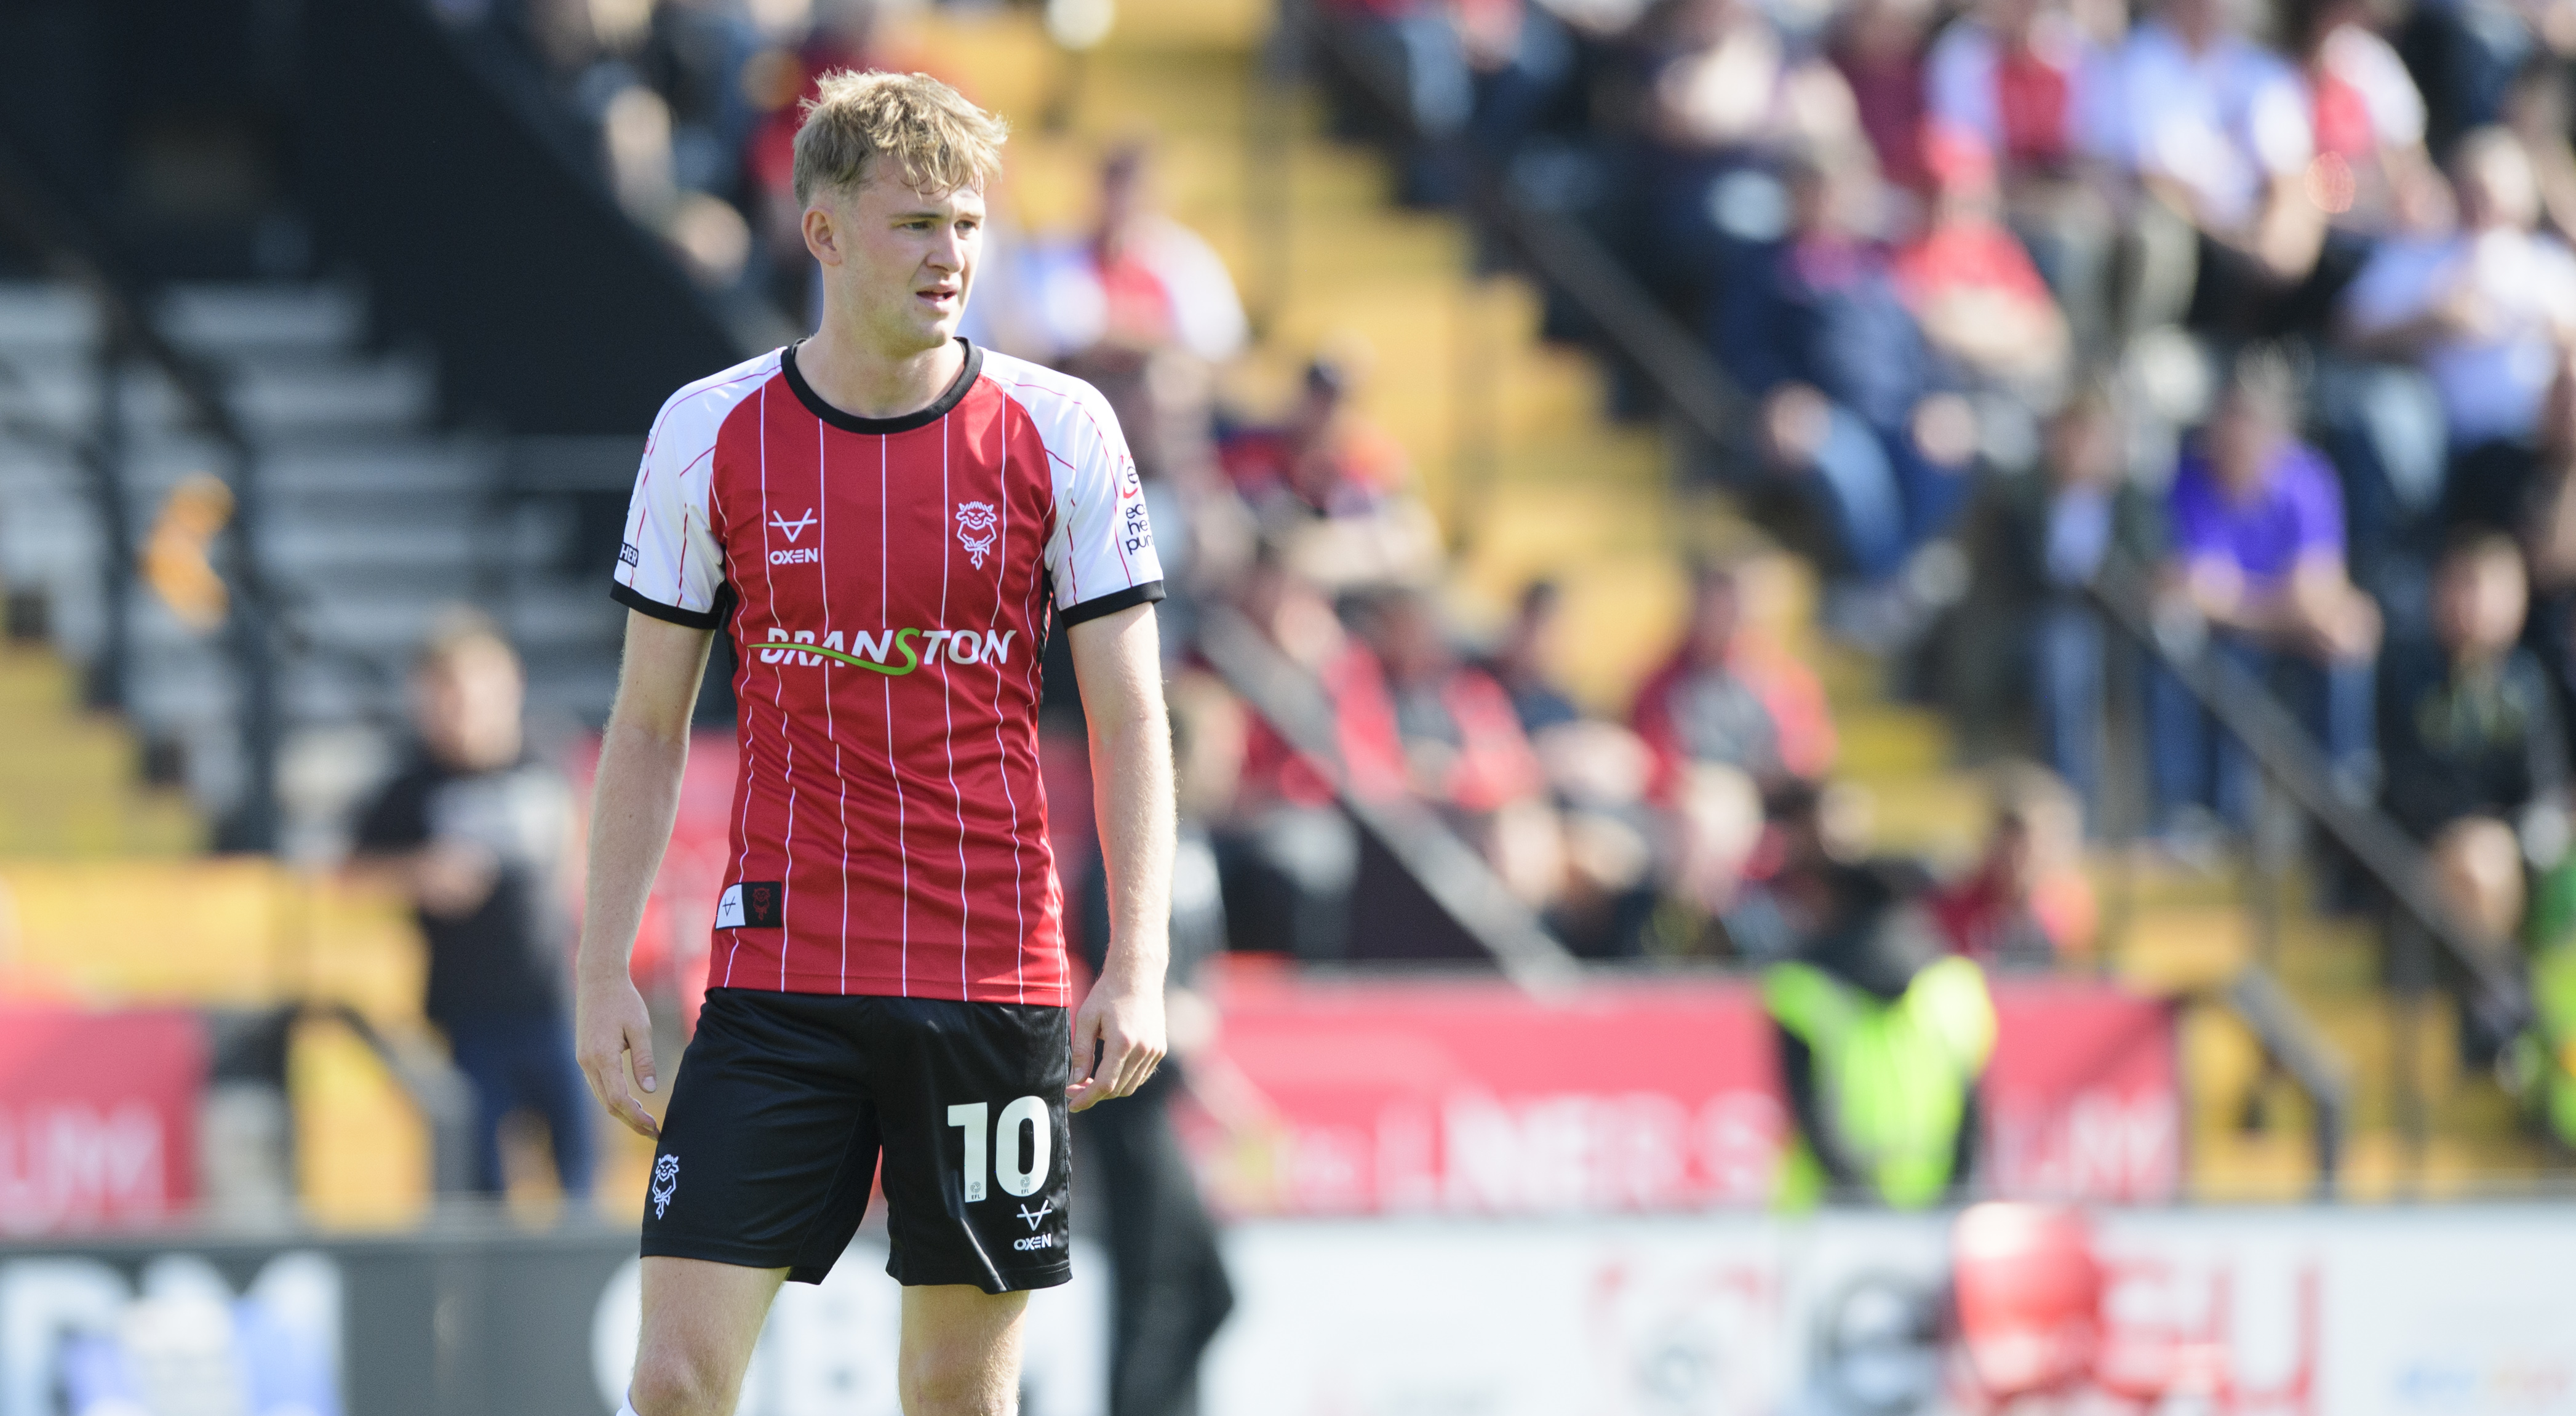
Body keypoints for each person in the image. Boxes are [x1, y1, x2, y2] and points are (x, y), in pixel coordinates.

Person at [583, 72, 1174, 1416]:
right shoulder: (708, 431)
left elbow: (1130, 714)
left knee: (956, 1397)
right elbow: (643, 721)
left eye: (967, 224)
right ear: (825, 232)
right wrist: (598, 966)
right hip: (778, 968)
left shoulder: (1060, 428)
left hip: (988, 971)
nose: (949, 255)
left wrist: (1134, 960)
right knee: (673, 1379)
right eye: (915, 223)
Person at [349, 608, 592, 1202]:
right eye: (446, 693)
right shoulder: (413, 788)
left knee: (581, 1178)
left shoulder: (547, 758)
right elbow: (349, 873)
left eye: (475, 688)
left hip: (556, 1004)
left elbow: (583, 849)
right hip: (467, 1018)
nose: (464, 708)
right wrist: (419, 871)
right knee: (478, 1184)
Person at [2149, 350, 2382, 836]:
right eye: (2229, 414)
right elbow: (2182, 588)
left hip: (2282, 639)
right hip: (2229, 642)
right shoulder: (2187, 477)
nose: (2237, 430)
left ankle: (2340, 814)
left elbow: (2316, 596)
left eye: (2250, 418)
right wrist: (2278, 607)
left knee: (2343, 643)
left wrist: (2235, 600)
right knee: (2188, 646)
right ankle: (2200, 817)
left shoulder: (2308, 477)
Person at [2378, 532, 2566, 928]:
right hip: (2420, 851)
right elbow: (2397, 783)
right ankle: (2478, 986)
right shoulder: (2406, 676)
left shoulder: (2528, 684)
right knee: (2474, 869)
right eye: (2461, 584)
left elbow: (2544, 793)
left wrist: (2502, 838)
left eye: (2488, 587)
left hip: (2504, 857)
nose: (2473, 604)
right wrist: (2464, 834)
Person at [1630, 557, 1836, 797]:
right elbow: (1654, 756)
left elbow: (1814, 747)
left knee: (1836, 812)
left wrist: (1791, 764)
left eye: (1733, 608)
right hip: (1702, 793)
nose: (1724, 620)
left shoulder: (1782, 676)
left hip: (1775, 790)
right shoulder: (1664, 681)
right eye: (1714, 608)